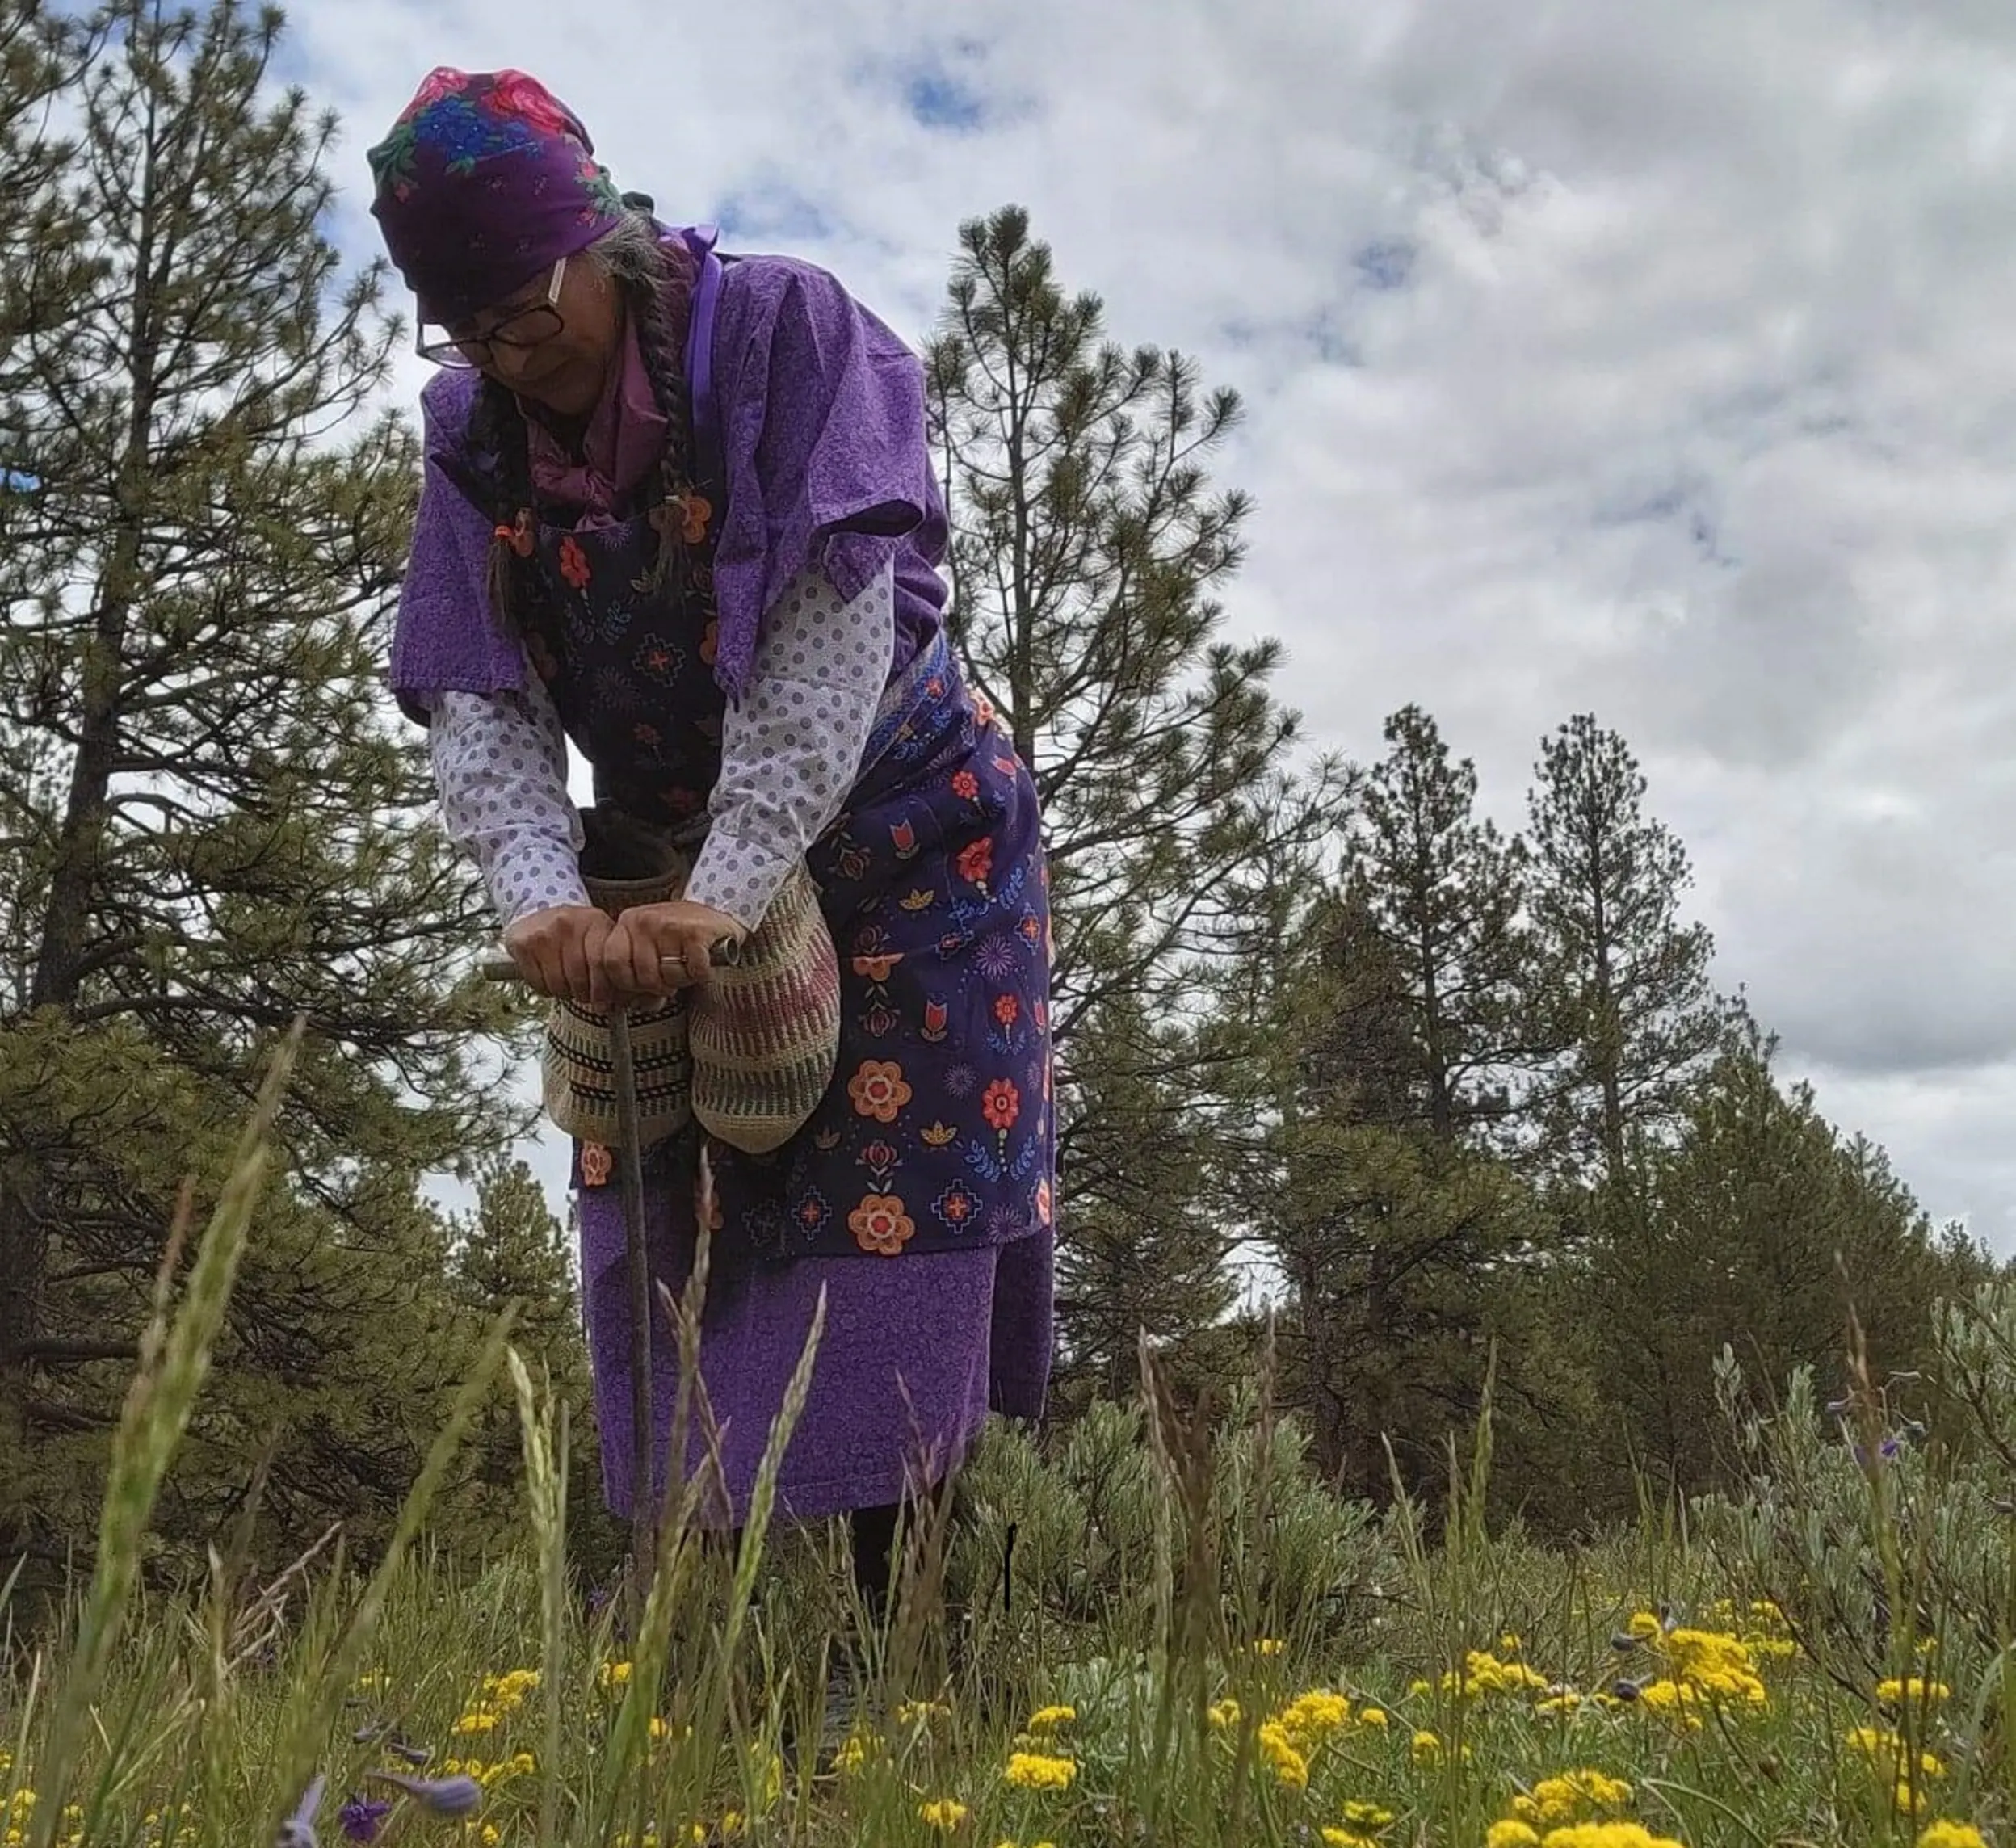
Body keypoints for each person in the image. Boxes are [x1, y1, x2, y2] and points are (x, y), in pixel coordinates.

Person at [366, 68, 1055, 1624]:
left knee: (902, 1207)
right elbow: (478, 689)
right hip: (670, 855)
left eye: (526, 311)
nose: (506, 351)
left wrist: (731, 891)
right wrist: (542, 896)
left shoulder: (779, 340)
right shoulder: (473, 435)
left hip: (902, 835)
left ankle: (920, 1655)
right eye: (464, 325)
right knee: (665, 1204)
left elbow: (826, 637)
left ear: (595, 240)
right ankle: (706, 1651)